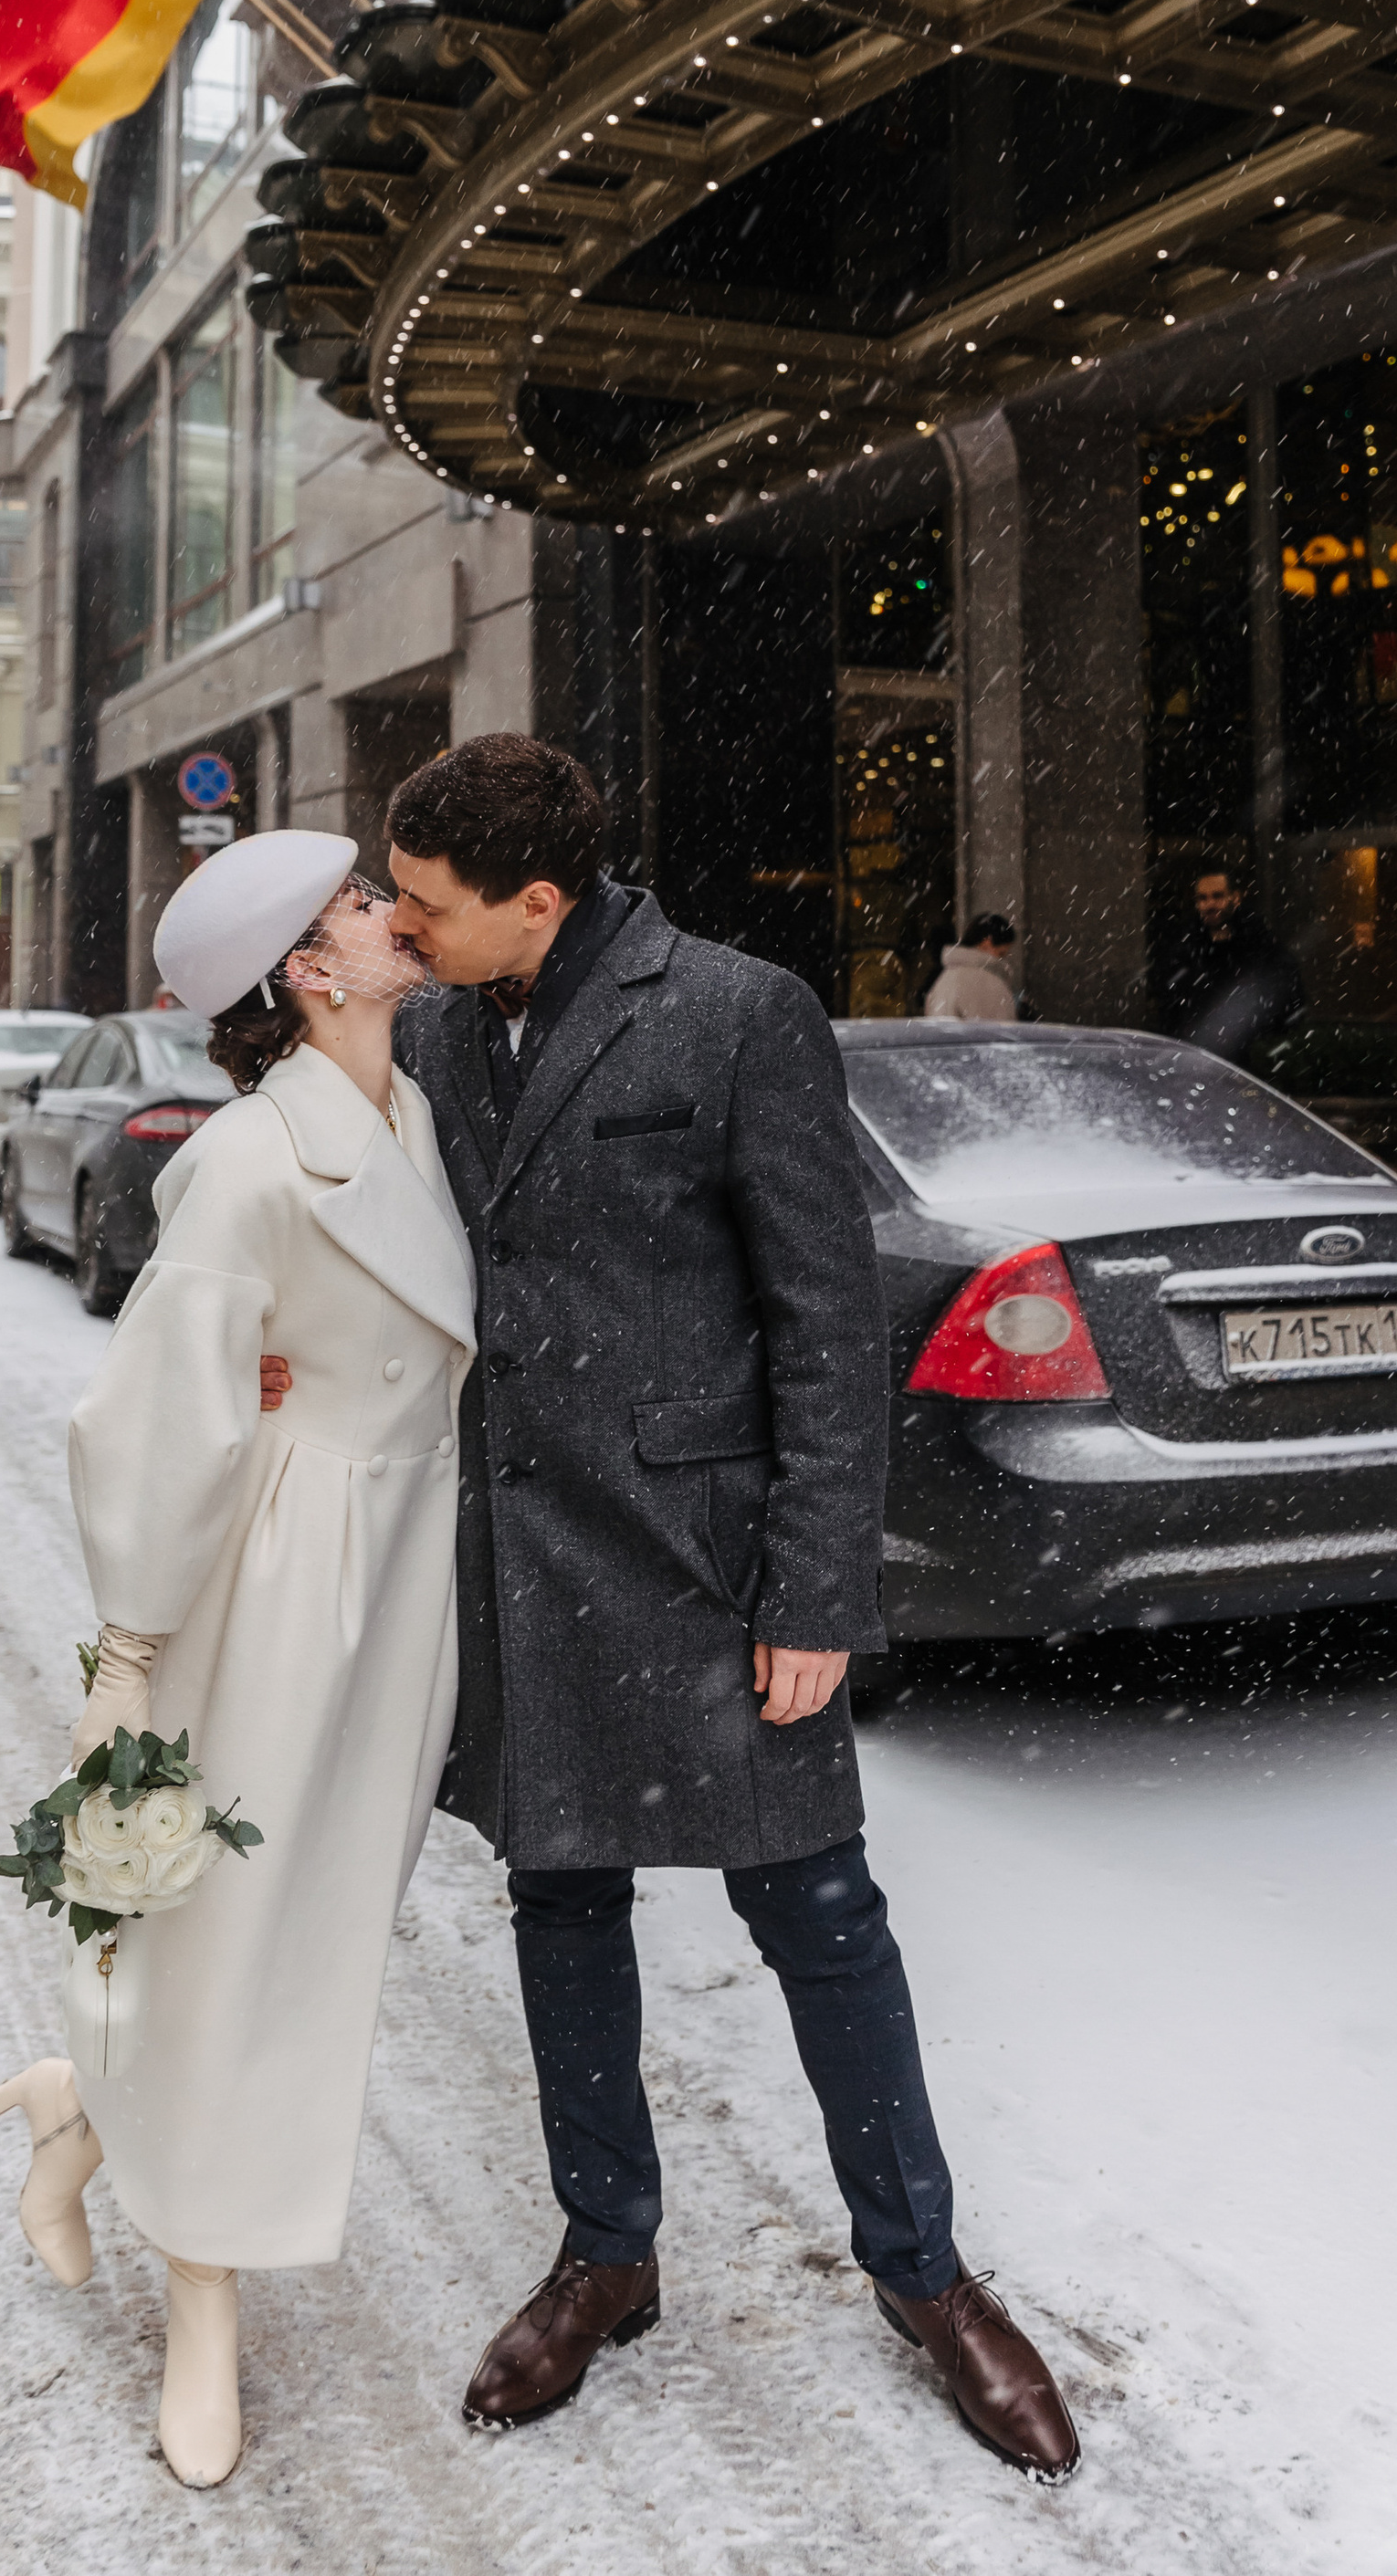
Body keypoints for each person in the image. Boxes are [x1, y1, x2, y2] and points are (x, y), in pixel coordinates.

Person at [382, 733, 1079, 2486]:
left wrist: (816, 1590)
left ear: (537, 902)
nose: (398, 928)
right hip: (521, 1551)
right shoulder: (431, 1024)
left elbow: (830, 1327)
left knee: (821, 1914)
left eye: (425, 903)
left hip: (707, 1563)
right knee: (560, 1901)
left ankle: (924, 2278)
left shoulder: (739, 1011)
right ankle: (607, 2255)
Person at [0, 829, 472, 2490]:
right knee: (241, 1941)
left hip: (395, 1581)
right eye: (352, 904)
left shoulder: (415, 1115)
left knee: (306, 1934)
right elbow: (153, 1412)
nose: (386, 908)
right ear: (306, 977)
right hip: (273, 1585)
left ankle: (79, 2107)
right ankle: (201, 2305)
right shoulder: (259, 1161)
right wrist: (127, 1650)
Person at [1161, 865, 1304, 1060]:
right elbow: (1173, 1006)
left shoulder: (1259, 942)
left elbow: (1286, 993)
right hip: (1197, 1055)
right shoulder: (1185, 947)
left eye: (1217, 896)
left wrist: (1259, 1038)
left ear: (1235, 898)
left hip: (1248, 1056)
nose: (1209, 904)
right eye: (1202, 898)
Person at [921, 913, 1022, 1021]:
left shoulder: (944, 978)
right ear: (987, 942)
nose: (1002, 960)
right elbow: (999, 1032)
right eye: (1001, 953)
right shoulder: (988, 982)